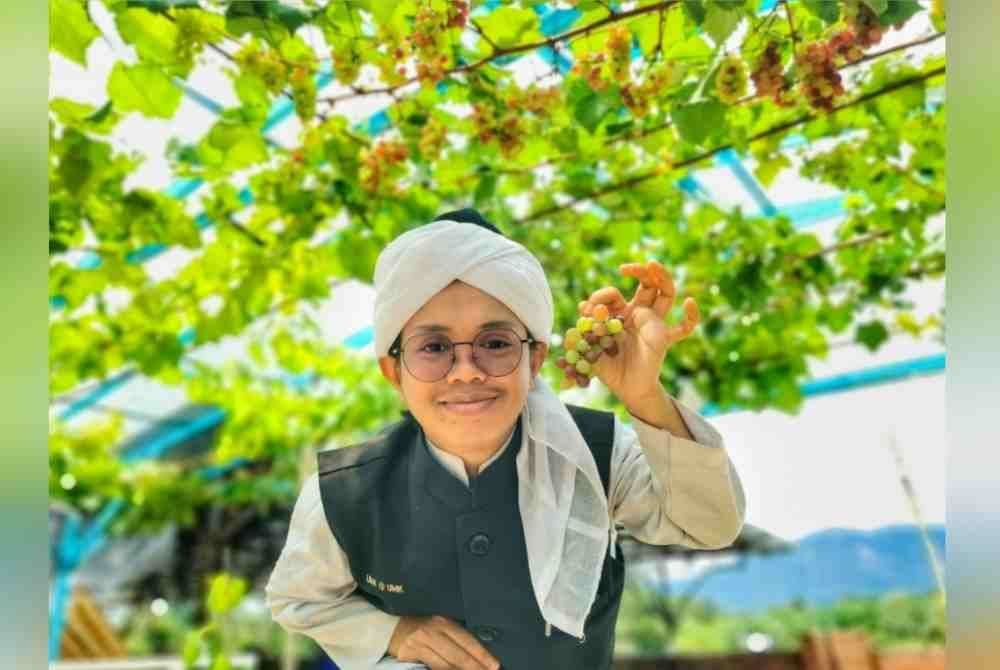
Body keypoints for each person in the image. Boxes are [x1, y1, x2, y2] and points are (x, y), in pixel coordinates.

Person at [266, 208, 746, 670]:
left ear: (534, 359)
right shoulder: (343, 491)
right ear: (394, 370)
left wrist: (644, 395)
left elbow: (709, 525)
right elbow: (297, 599)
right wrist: (391, 632)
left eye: (495, 344)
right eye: (433, 347)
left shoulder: (599, 454)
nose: (467, 370)